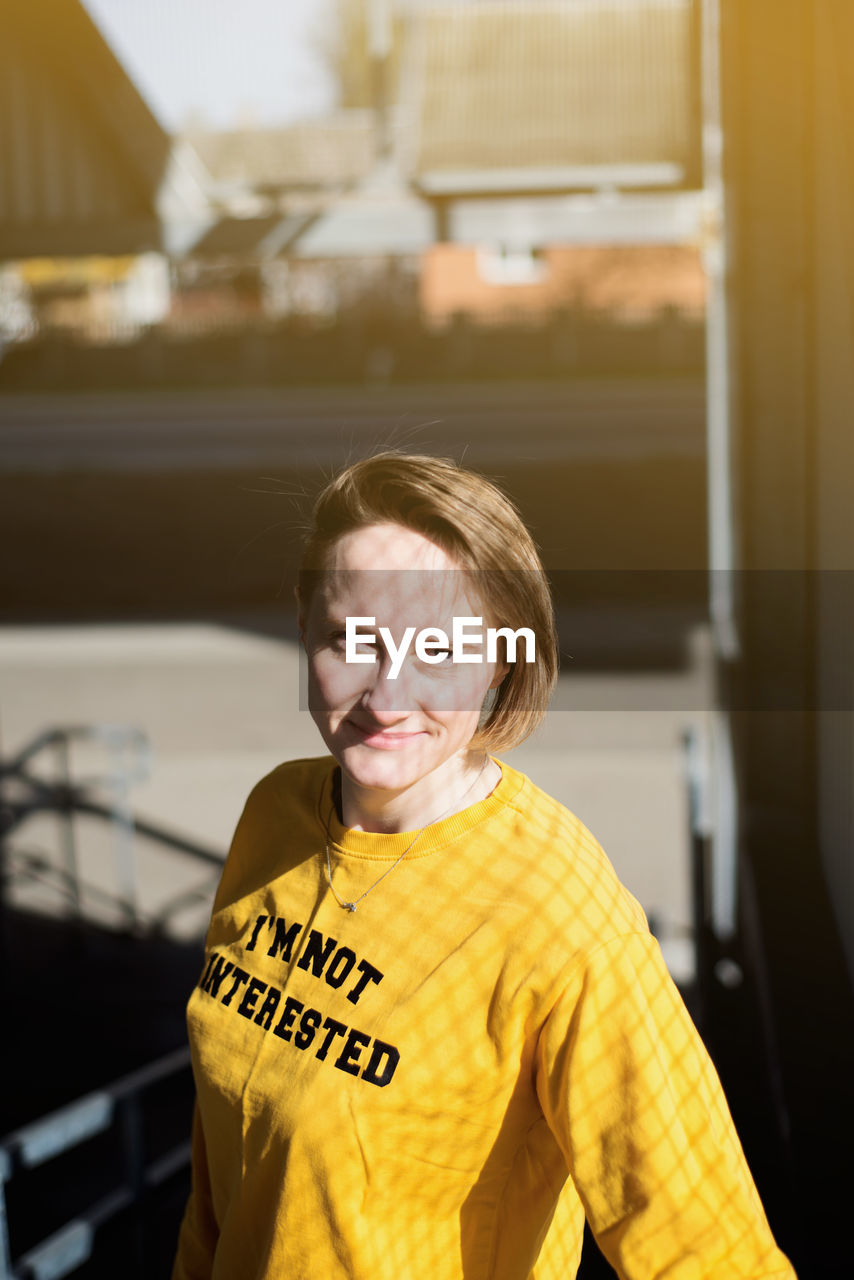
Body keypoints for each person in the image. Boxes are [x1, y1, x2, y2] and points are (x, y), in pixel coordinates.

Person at [172, 452, 796, 1279]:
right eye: (349, 642)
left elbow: (705, 1248)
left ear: (499, 658)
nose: (387, 697)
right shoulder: (275, 819)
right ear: (302, 626)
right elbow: (223, 1177)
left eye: (436, 649)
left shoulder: (558, 913)